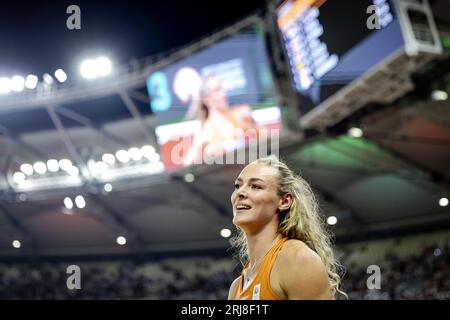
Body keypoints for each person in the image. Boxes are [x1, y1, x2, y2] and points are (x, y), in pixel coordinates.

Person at [228, 155, 345, 300]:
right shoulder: (236, 287)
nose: (240, 192)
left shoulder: (297, 260)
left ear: (284, 201)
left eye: (256, 186)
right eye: (238, 186)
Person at [182, 75, 259, 165]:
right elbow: (187, 164)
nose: (224, 93)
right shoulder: (205, 133)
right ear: (206, 99)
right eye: (217, 90)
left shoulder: (239, 115)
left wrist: (253, 125)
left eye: (222, 89)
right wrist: (198, 147)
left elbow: (265, 140)